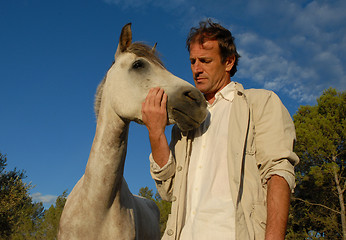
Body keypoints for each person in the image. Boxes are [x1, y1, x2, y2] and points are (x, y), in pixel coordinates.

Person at [141, 19, 299, 240]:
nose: (197, 69)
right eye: (193, 61)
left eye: (205, 60)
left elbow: (278, 174)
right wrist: (156, 132)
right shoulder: (183, 126)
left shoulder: (260, 104)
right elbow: (169, 192)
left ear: (229, 62)